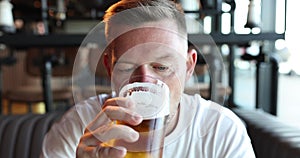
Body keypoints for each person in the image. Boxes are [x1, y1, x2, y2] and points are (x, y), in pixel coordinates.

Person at [41, 0, 256, 157]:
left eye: (161, 67)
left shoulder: (220, 129)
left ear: (189, 66)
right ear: (109, 68)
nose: (145, 83)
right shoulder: (80, 126)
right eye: (126, 68)